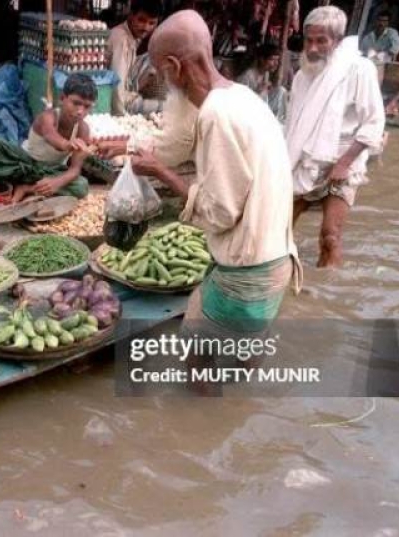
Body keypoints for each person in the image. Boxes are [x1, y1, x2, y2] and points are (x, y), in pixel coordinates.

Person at [127, 10, 301, 366]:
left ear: (174, 67)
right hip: (276, 259)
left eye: (162, 71)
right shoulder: (244, 97)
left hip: (247, 272)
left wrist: (161, 171)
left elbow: (220, 212)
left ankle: (197, 417)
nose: (164, 79)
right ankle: (239, 417)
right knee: (244, 357)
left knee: (198, 364)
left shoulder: (216, 115)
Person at [287, 6, 385, 268]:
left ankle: (322, 291)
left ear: (338, 41)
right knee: (279, 227)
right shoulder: (301, 76)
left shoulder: (359, 69)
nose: (313, 48)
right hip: (304, 161)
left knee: (330, 236)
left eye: (322, 41)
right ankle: (278, 276)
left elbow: (374, 122)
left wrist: (343, 163)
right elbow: (293, 125)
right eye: (309, 40)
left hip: (344, 160)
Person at [0, 73, 96, 202]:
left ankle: (27, 188)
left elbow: (75, 169)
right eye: (76, 103)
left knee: (81, 186)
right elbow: (51, 136)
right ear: (62, 98)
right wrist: (68, 145)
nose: (80, 111)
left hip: (49, 172)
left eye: (87, 106)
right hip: (24, 164)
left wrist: (57, 182)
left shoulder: (83, 129)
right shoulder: (47, 117)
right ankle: (26, 185)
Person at [106, 0, 163, 115]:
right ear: (131, 16)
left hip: (129, 91)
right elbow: (117, 83)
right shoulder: (121, 39)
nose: (146, 28)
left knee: (155, 56)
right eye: (141, 20)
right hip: (119, 99)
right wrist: (120, 116)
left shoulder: (133, 37)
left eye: (151, 23)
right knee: (165, 107)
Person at [237, 42, 288, 123]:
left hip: (261, 109)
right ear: (262, 59)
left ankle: (279, 123)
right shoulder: (247, 76)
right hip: (247, 114)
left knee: (281, 91)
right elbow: (238, 101)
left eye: (277, 60)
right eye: (272, 60)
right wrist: (259, 90)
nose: (276, 63)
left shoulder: (266, 73)